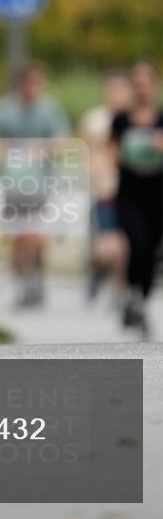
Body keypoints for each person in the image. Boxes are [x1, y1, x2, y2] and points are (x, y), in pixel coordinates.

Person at [0, 62, 71, 307]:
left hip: (41, 183)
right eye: (29, 83)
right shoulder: (5, 109)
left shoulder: (50, 109)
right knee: (18, 238)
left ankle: (36, 276)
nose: (32, 88)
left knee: (36, 237)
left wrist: (41, 148)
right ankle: (23, 283)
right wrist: (11, 153)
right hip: (13, 183)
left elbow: (62, 142)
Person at [110, 61, 163, 337]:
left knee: (152, 250)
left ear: (154, 86)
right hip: (130, 194)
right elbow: (112, 153)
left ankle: (140, 298)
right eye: (137, 83)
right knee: (137, 243)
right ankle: (132, 293)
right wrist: (129, 150)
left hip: (157, 193)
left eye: (146, 83)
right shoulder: (121, 120)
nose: (142, 89)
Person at [78, 71, 131, 303]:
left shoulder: (134, 118)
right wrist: (92, 168)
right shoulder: (95, 119)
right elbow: (84, 150)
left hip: (131, 191)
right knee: (105, 246)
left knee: (125, 241)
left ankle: (121, 290)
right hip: (104, 188)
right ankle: (98, 272)